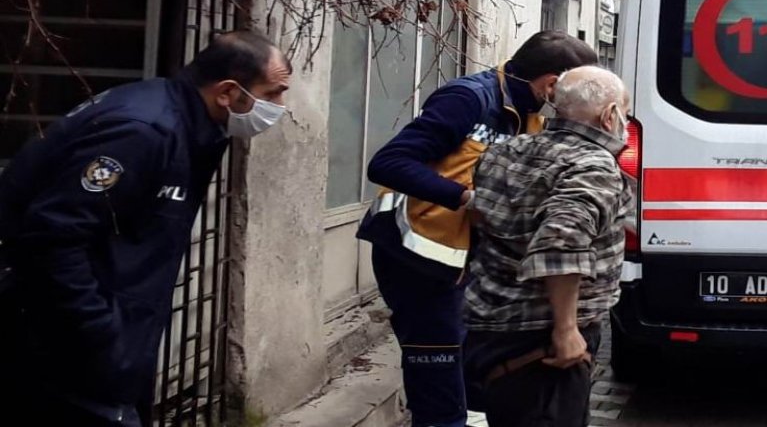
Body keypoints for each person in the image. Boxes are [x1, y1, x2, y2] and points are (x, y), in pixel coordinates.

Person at [0, 31, 291, 427]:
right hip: (65, 351)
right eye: (273, 93)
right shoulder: (144, 130)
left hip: (98, 350)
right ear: (228, 92)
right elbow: (53, 236)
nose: (280, 106)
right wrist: (102, 336)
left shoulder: (183, 123)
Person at [359, 31, 598, 427]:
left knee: (473, 388)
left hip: (465, 265)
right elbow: (388, 163)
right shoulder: (468, 98)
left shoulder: (534, 113)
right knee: (439, 393)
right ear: (552, 84)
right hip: (416, 258)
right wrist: (468, 199)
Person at [462, 66, 633, 427]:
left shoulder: (507, 150)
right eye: (625, 112)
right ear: (610, 115)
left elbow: (480, 216)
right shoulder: (593, 164)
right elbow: (560, 244)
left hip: (494, 330)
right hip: (542, 345)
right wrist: (566, 330)